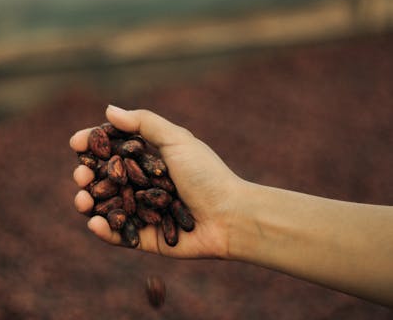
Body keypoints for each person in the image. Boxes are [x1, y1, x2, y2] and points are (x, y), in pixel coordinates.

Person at [70, 105, 393, 308]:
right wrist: (231, 210)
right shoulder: (131, 176)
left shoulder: (141, 179)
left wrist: (230, 211)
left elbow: (141, 187)